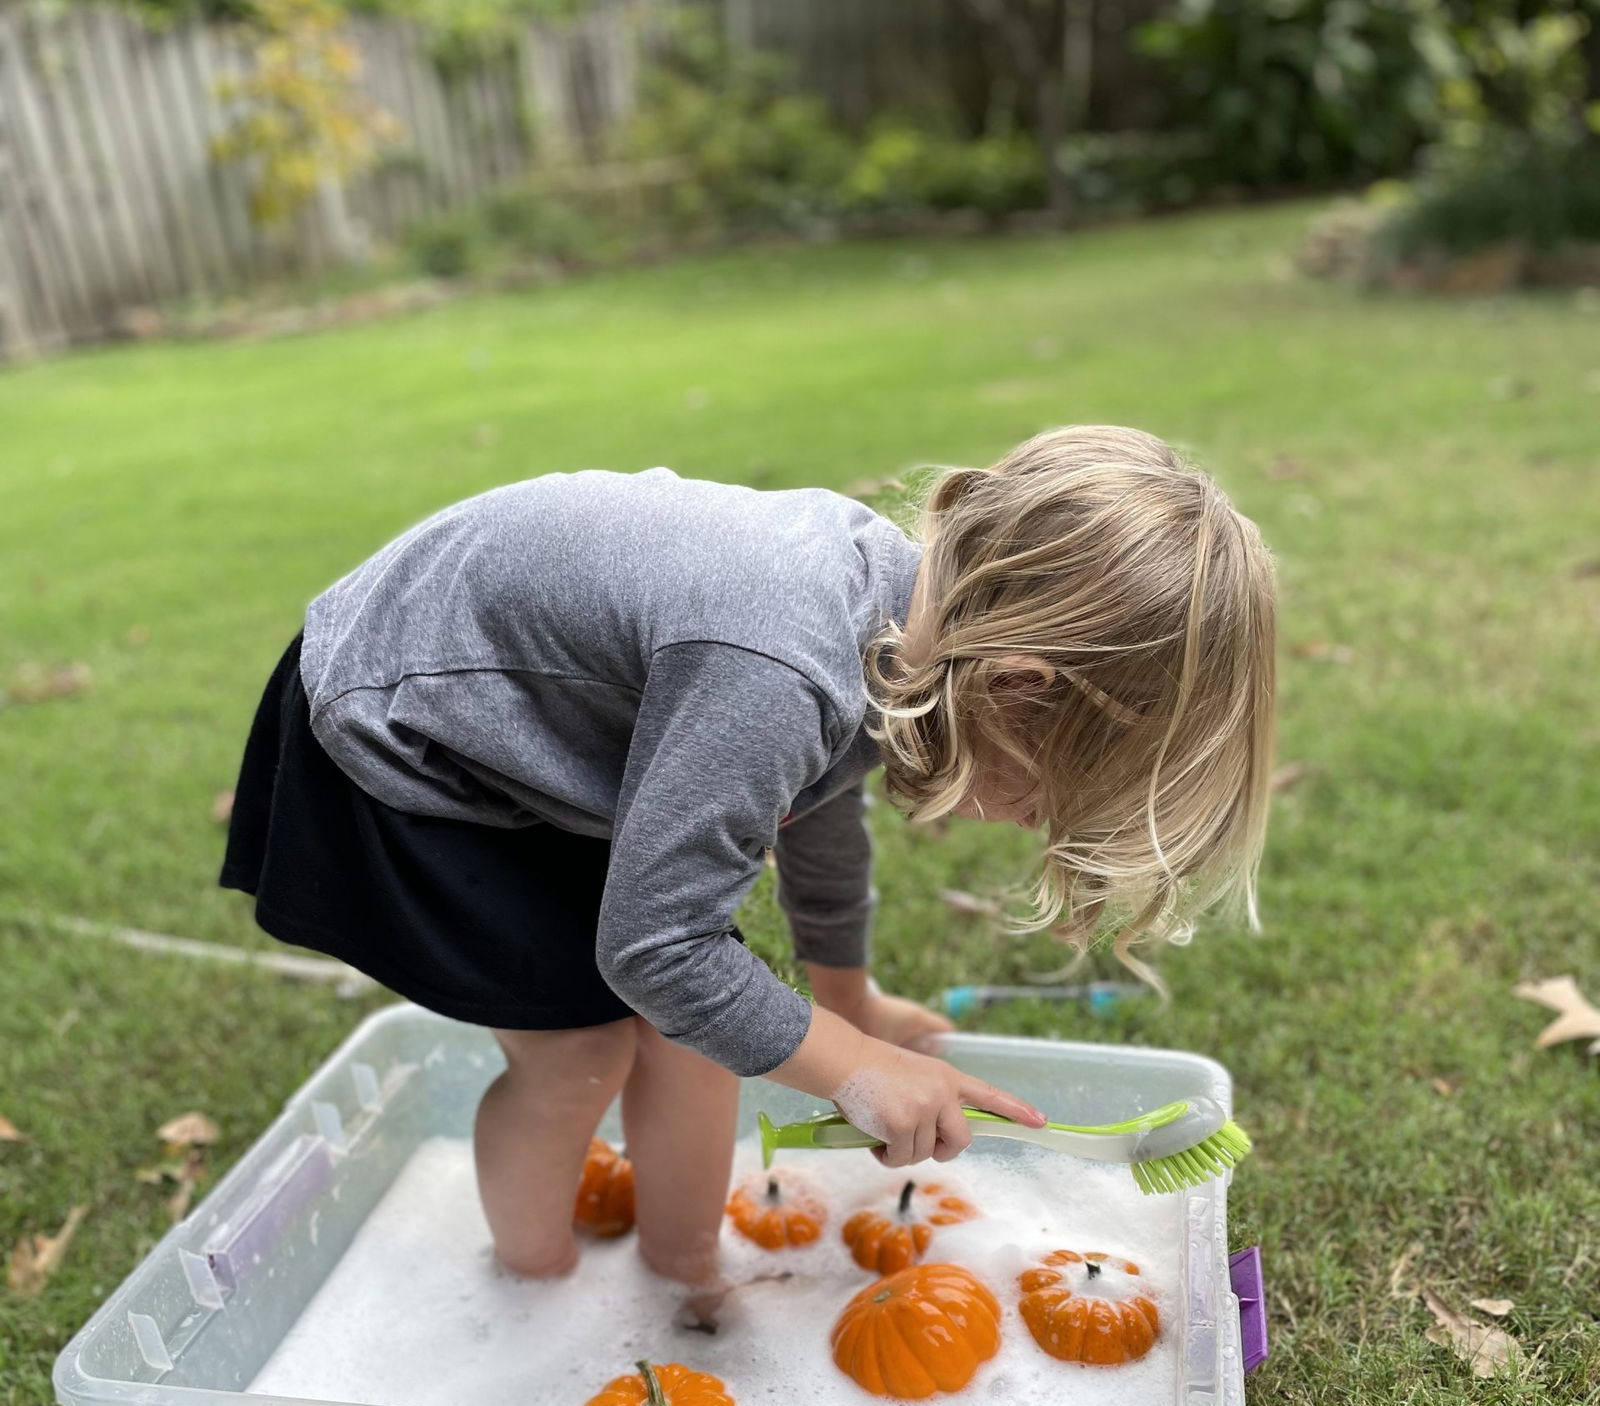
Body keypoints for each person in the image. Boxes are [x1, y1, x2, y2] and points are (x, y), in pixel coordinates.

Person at [221, 425, 1275, 1300]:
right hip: (401, 735)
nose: (1026, 822)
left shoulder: (886, 627)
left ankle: (683, 1271)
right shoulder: (775, 661)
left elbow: (810, 807)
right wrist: (858, 1070)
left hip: (540, 735)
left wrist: (845, 997)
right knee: (579, 1049)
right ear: (1020, 687)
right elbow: (657, 950)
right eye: (1048, 799)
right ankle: (531, 1285)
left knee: (700, 1031)